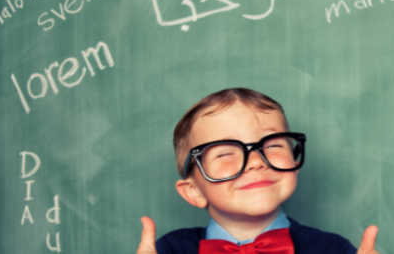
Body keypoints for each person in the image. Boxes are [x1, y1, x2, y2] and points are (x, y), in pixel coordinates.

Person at [135, 88, 379, 254]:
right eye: (225, 153)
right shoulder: (169, 250)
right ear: (193, 191)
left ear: (293, 164)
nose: (255, 161)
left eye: (272, 145)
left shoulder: (333, 250)